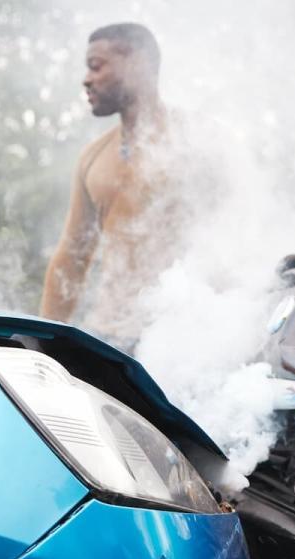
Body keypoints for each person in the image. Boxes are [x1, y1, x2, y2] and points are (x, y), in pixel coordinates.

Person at [40, 23, 186, 348]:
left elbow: (240, 235)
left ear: (138, 64)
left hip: (179, 337)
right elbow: (71, 257)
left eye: (96, 65)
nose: (86, 79)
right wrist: (43, 342)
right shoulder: (92, 157)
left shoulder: (197, 142)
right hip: (107, 337)